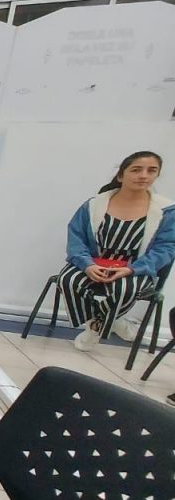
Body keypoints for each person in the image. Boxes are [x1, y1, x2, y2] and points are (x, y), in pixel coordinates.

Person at [60, 151, 175, 352]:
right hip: (94, 262)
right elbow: (76, 238)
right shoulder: (93, 205)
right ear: (121, 175)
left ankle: (96, 327)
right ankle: (112, 321)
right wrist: (87, 265)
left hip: (135, 267)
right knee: (69, 280)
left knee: (124, 289)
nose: (144, 176)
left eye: (151, 171)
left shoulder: (167, 211)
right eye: (136, 170)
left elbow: (166, 248)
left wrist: (132, 269)